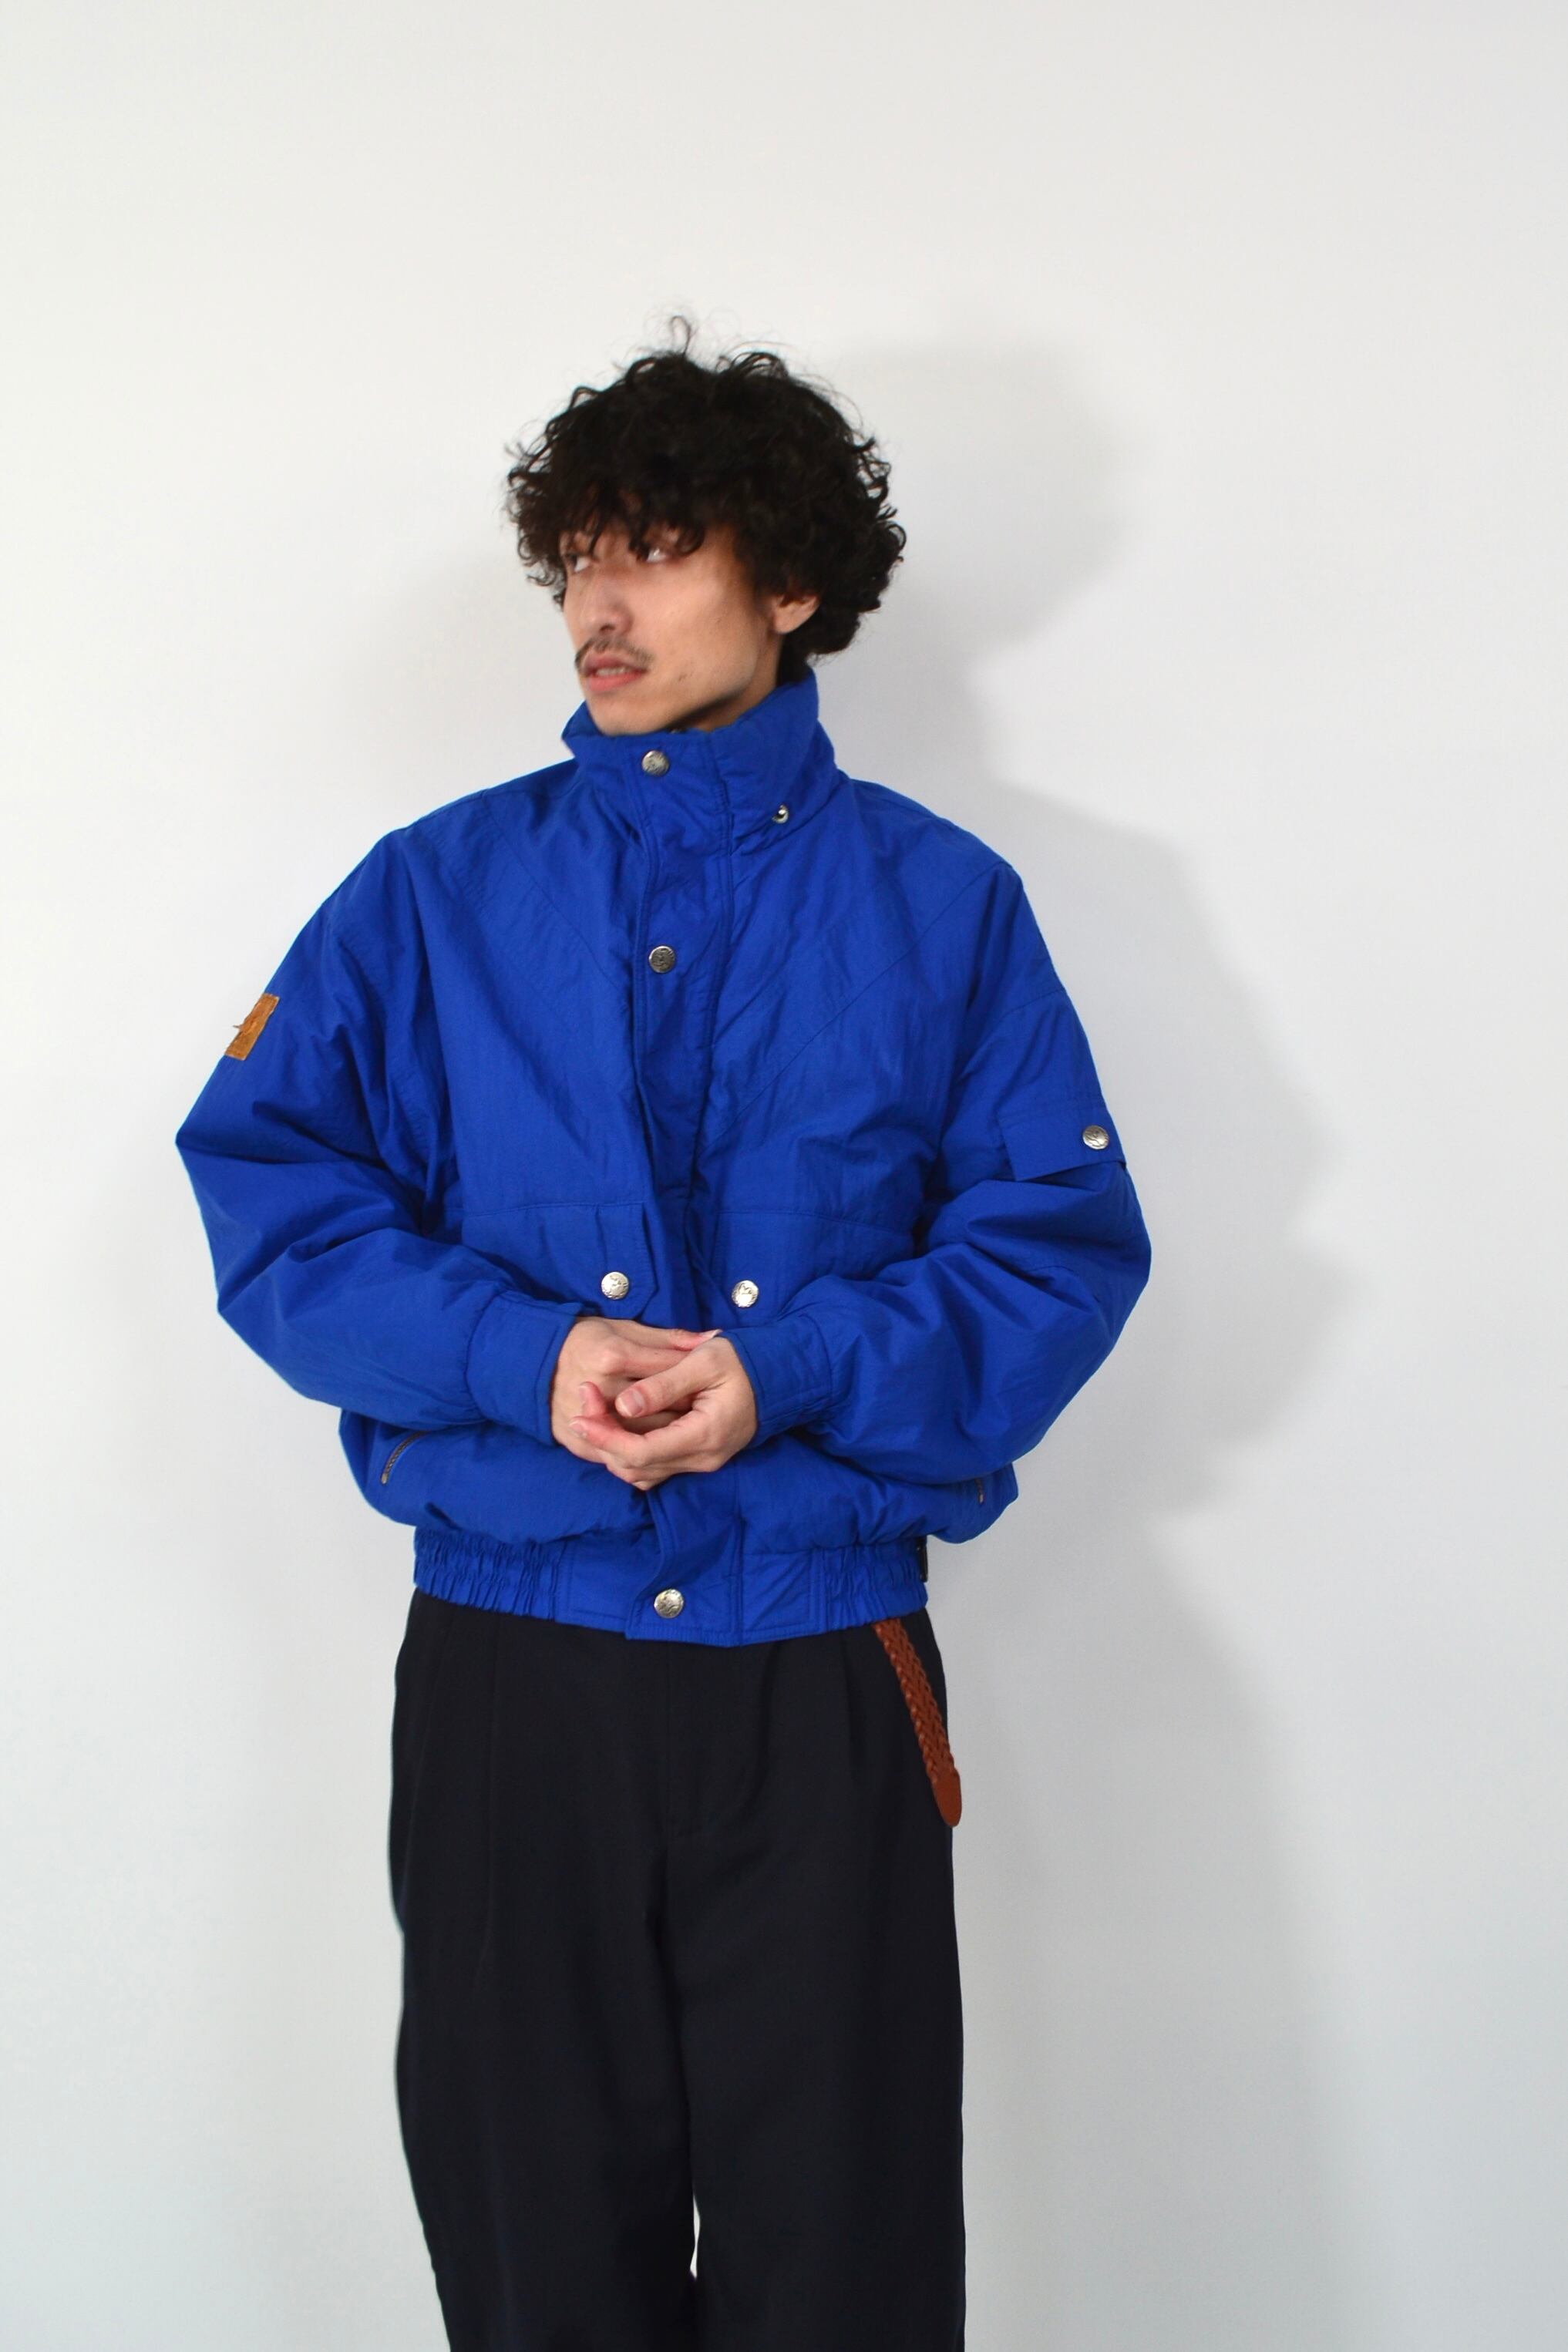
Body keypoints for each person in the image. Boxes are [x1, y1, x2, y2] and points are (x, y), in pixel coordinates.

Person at [174, 316, 1152, 2351]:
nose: (595, 609)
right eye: (574, 560)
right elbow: (272, 1192)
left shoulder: (941, 905)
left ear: (787, 581)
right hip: (516, 1674)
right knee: (539, 2263)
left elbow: (1053, 1250)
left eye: (654, 550)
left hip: (819, 1673)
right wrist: (519, 1358)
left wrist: (785, 1374)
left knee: (844, 2269)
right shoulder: (430, 897)